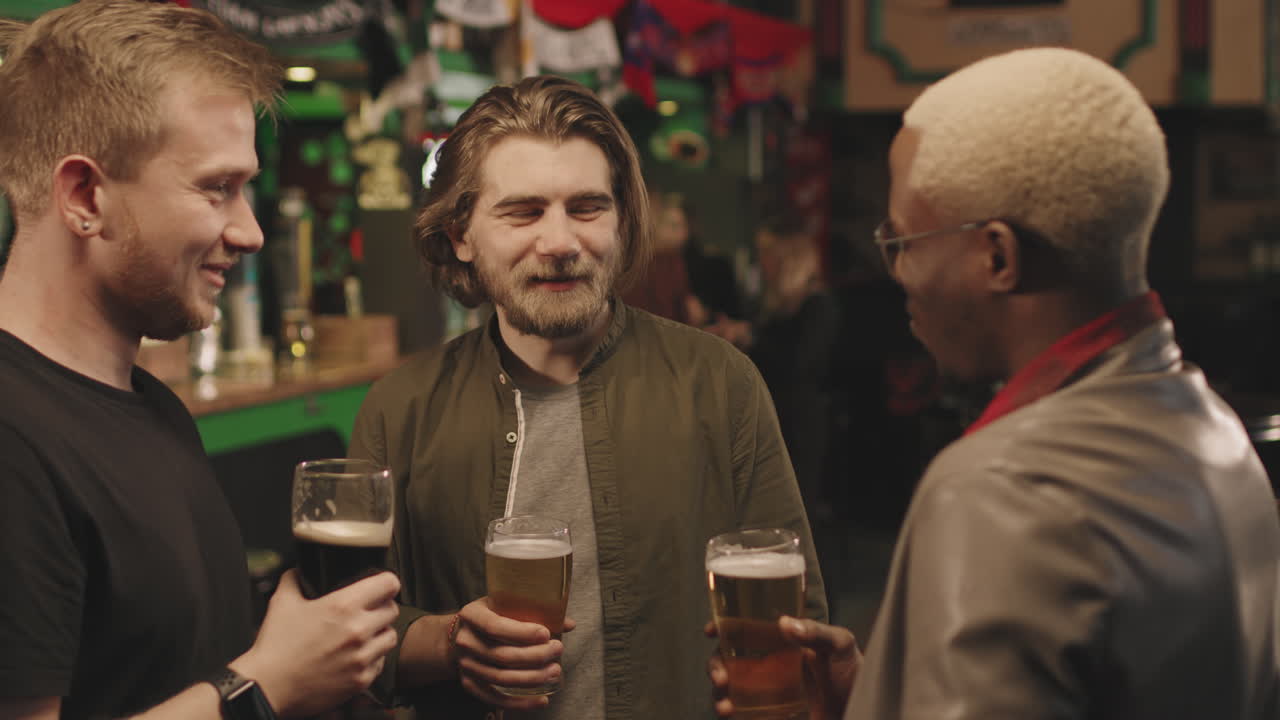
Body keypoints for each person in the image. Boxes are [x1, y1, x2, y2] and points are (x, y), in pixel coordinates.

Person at [710, 47, 1280, 719]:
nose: (898, 274)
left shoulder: (1000, 489)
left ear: (997, 257)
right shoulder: (1216, 430)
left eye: (903, 243)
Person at [349, 74, 826, 719]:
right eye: (523, 212)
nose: (560, 243)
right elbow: (350, 642)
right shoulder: (401, 407)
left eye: (587, 207)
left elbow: (801, 623)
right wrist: (451, 641)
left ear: (623, 220)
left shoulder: (719, 382)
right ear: (461, 234)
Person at [0, 3, 401, 719]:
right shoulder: (13, 442)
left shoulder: (148, 405)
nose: (248, 231)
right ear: (85, 196)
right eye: (216, 188)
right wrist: (267, 684)